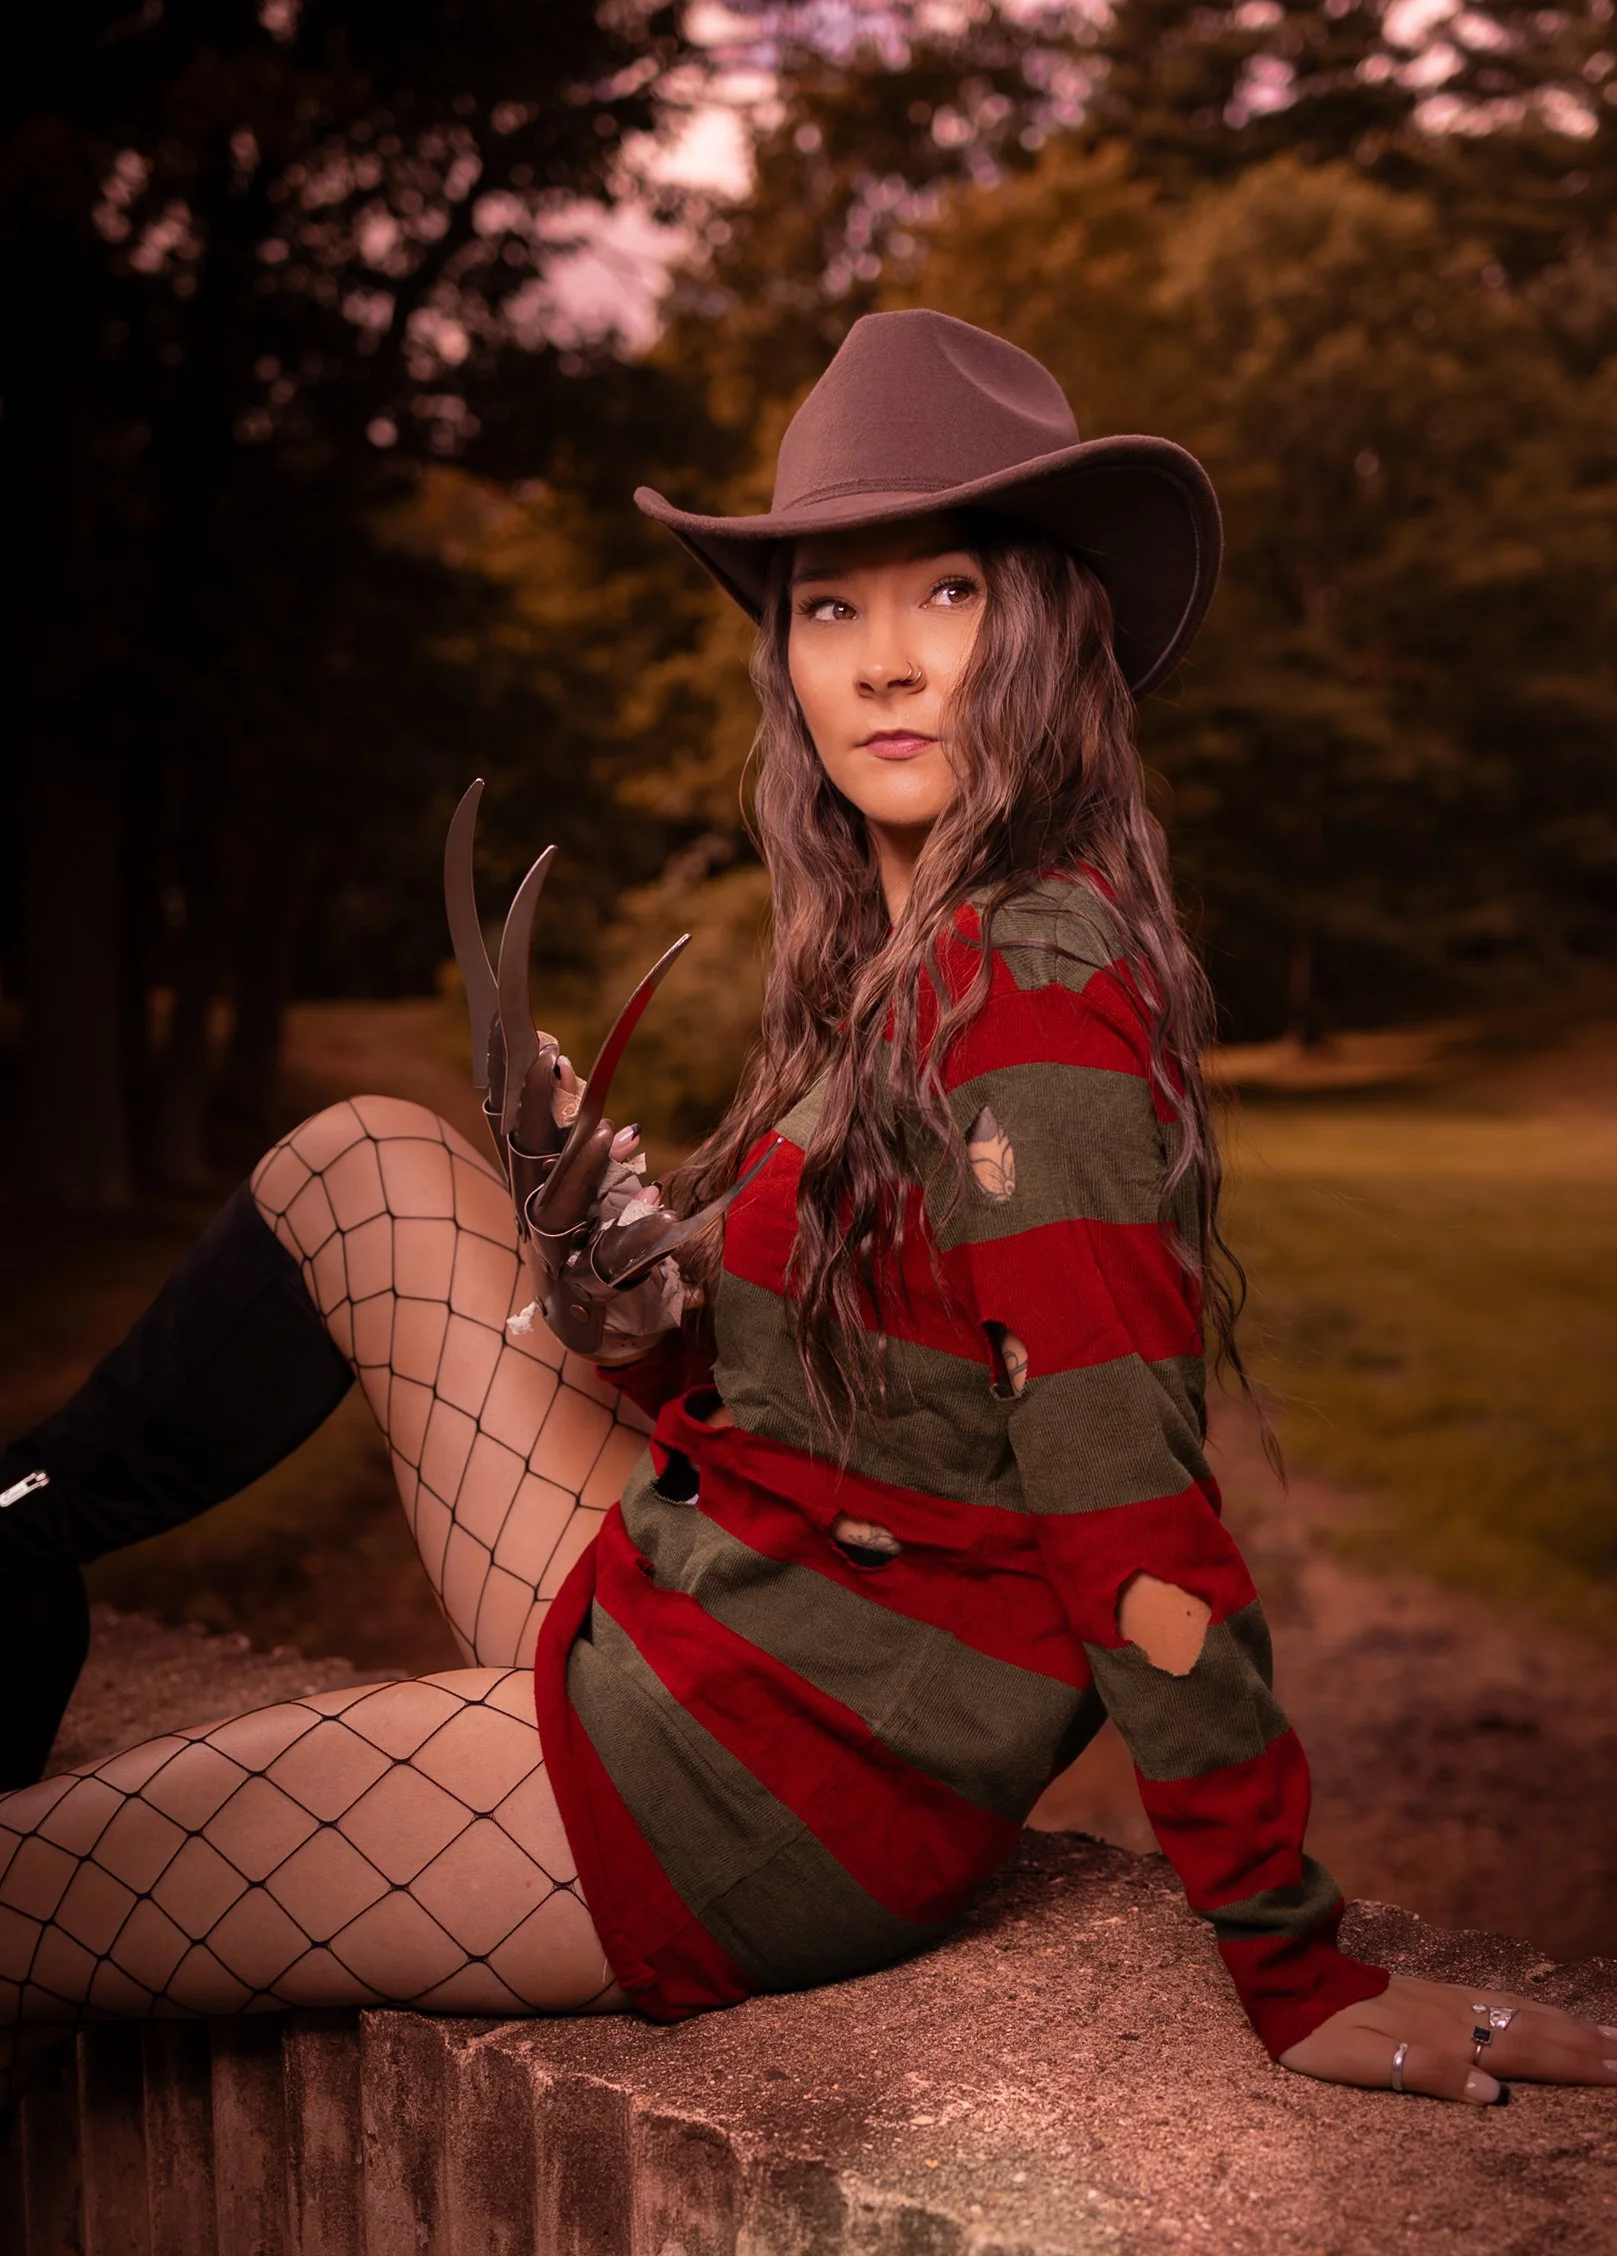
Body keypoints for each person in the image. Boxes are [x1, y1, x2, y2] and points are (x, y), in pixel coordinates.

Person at [1, 311, 1611, 2114]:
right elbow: (865, 1389)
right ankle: (14, 1552)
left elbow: (1126, 1506)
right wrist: (642, 1318)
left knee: (30, 1895)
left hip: (769, 1781)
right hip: (707, 1604)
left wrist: (1290, 1954)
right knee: (366, 1164)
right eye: (831, 610)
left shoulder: (1036, 1002)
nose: (888, 665)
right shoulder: (890, 958)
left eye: (949, 594)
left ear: (1051, 629)